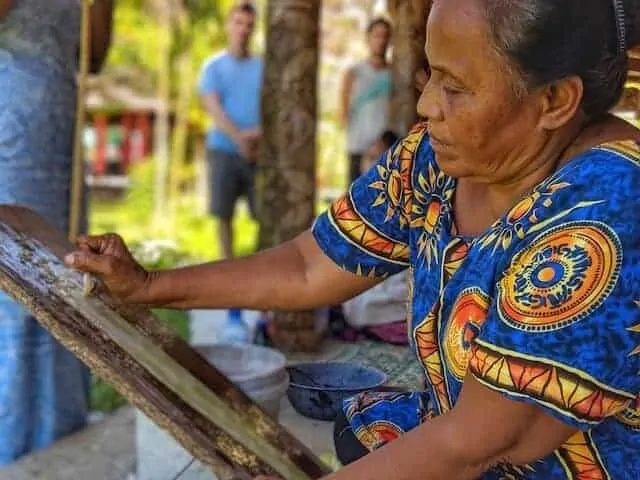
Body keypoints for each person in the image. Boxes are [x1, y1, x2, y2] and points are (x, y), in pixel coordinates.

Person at [66, 0, 640, 478]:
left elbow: (476, 442)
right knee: (360, 424)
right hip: (471, 438)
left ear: (555, 101)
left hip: (550, 462)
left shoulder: (606, 212)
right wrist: (148, 286)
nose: (425, 105)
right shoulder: (439, 160)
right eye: (431, 74)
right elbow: (309, 265)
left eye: (456, 87)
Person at [0, 0, 113, 464]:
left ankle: (58, 433)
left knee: (65, 273)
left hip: (59, 131)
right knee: (17, 277)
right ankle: (14, 442)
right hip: (10, 126)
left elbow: (94, 54)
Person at [198, 2, 262, 338]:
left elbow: (273, 105)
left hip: (257, 153)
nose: (244, 28)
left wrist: (257, 136)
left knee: (262, 220)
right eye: (239, 22)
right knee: (224, 220)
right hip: (224, 152)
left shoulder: (262, 67)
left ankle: (259, 291)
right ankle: (231, 307)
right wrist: (239, 138)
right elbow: (213, 107)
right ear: (229, 25)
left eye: (249, 23)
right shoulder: (213, 66)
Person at [341, 17, 393, 185]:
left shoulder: (394, 75)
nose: (381, 41)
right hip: (357, 148)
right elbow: (343, 112)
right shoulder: (354, 72)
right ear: (368, 38)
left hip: (385, 150)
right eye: (377, 36)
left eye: (385, 36)